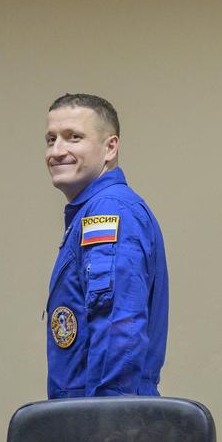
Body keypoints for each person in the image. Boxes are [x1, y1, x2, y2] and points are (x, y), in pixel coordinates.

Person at [42, 93, 168, 398]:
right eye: (51, 139)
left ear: (110, 147)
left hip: (107, 425)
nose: (57, 151)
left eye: (73, 138)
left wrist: (104, 424)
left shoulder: (108, 211)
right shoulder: (90, 212)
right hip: (84, 416)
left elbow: (118, 328)